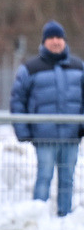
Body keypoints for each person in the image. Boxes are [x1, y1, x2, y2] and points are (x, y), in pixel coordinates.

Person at [10, 20, 84, 217]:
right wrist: (24, 131)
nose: (56, 42)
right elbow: (18, 100)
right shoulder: (30, 68)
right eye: (51, 38)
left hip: (71, 136)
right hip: (44, 136)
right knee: (44, 177)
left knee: (67, 179)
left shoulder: (79, 67)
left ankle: (65, 218)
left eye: (59, 37)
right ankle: (37, 217)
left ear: (64, 41)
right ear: (44, 42)